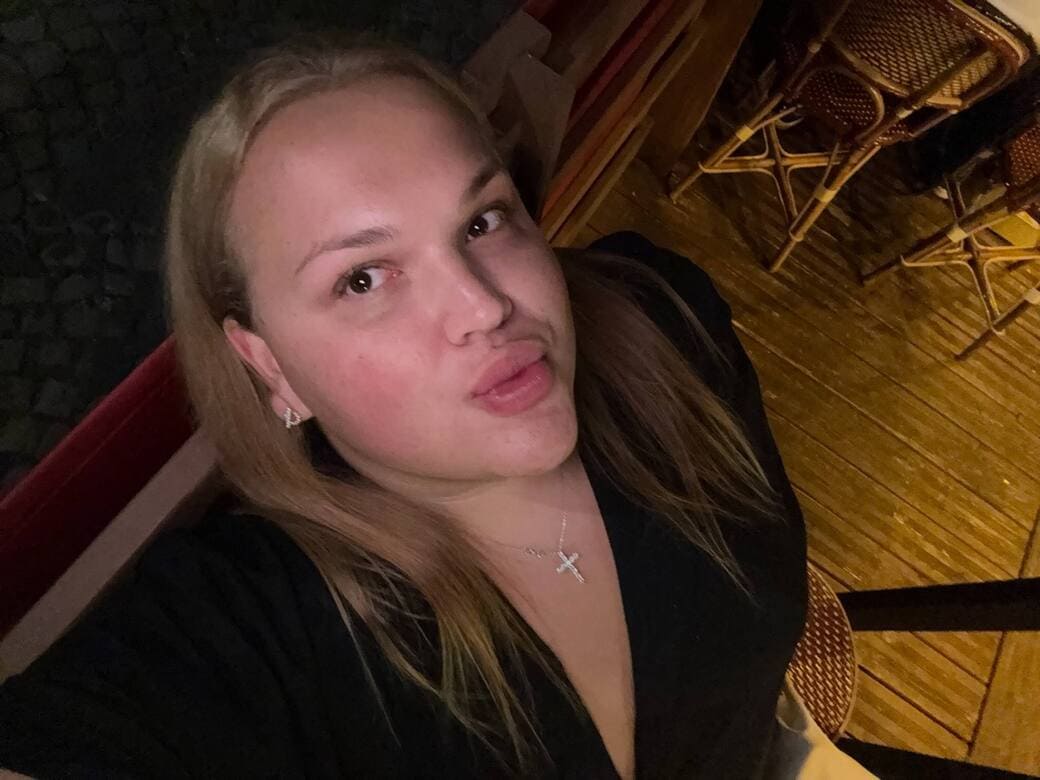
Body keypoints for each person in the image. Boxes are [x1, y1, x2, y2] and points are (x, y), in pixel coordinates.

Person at [0, 33, 871, 779]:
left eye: (484, 220)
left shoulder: (668, 321)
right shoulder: (253, 627)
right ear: (269, 367)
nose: (484, 307)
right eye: (362, 279)